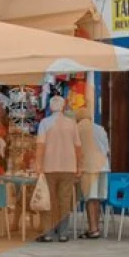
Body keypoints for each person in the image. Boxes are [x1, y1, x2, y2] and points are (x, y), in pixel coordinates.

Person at [35, 94, 82, 242]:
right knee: (65, 200)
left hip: (49, 166)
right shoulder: (72, 123)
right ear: (63, 107)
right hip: (68, 167)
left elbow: (40, 146)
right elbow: (78, 148)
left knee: (49, 200)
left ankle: (48, 233)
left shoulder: (45, 123)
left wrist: (38, 165)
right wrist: (79, 167)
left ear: (50, 107)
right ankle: (63, 233)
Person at [75, 106, 110, 239]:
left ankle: (93, 229)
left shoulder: (78, 129)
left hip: (89, 168)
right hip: (103, 166)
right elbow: (107, 149)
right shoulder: (100, 128)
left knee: (90, 198)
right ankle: (96, 227)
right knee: (97, 199)